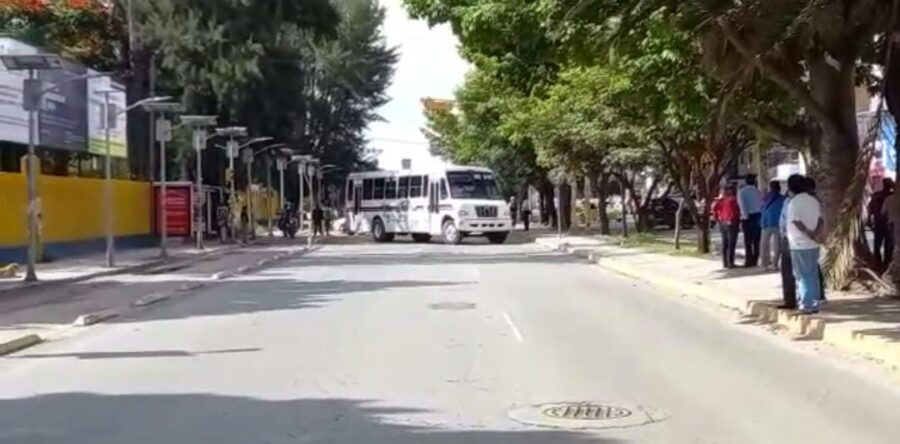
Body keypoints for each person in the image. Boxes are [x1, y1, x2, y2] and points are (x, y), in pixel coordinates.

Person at [786, 174, 823, 314]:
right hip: (813, 243)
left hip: (799, 243)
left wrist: (808, 233)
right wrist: (816, 234)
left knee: (803, 275)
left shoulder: (794, 202)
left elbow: (796, 221)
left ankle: (806, 303)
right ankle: (815, 303)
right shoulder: (813, 200)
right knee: (812, 273)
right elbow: (821, 220)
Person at [712, 184, 740, 269]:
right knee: (731, 243)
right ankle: (730, 262)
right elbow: (735, 211)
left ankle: (725, 262)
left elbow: (714, 209)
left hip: (722, 222)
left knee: (725, 243)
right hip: (731, 222)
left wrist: (717, 218)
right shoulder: (732, 200)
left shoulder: (720, 200)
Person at [738, 174, 763, 267]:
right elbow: (761, 204)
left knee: (748, 240)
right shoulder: (758, 192)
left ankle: (749, 260)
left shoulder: (742, 192)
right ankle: (755, 259)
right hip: (758, 215)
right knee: (757, 240)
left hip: (748, 216)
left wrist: (744, 217)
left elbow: (742, 205)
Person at [869, 178, 895, 269]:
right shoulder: (892, 196)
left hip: (878, 222)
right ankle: (886, 264)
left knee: (877, 244)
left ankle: (878, 263)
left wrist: (869, 220)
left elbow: (871, 209)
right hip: (888, 224)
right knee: (889, 245)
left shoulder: (876, 195)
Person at [760, 181, 786, 270]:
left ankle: (765, 264)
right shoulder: (783, 198)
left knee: (764, 244)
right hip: (778, 223)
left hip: (767, 223)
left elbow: (762, 209)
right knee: (777, 245)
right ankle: (775, 264)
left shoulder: (766, 198)